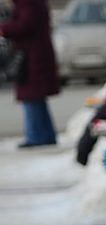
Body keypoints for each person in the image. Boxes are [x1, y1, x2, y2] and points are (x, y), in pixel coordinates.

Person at [0, 0, 60, 148]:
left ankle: (36, 136)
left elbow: (25, 26)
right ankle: (45, 135)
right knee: (36, 99)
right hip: (34, 56)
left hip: (32, 58)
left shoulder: (28, 3)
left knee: (31, 97)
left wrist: (3, 29)